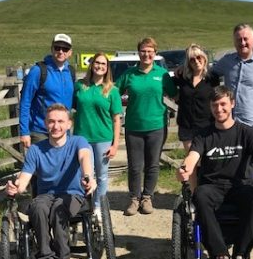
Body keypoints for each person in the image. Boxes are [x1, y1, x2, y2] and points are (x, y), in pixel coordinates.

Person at [177, 86, 253, 259]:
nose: (219, 109)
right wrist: (185, 168)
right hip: (212, 187)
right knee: (200, 195)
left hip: (239, 185)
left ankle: (240, 257)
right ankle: (220, 257)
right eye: (215, 105)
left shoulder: (247, 132)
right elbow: (192, 156)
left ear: (232, 104)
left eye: (223, 104)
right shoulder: (203, 135)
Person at [5, 103, 96, 259]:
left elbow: (85, 157)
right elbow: (25, 177)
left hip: (72, 194)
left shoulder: (78, 142)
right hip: (46, 195)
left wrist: (88, 176)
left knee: (59, 209)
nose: (56, 126)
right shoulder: (36, 150)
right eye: (52, 121)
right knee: (37, 208)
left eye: (61, 121)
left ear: (69, 124)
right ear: (46, 124)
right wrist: (16, 187)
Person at [116, 37, 177, 216]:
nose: (146, 54)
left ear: (155, 53)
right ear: (138, 53)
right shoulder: (129, 74)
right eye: (143, 51)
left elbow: (175, 94)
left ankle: (147, 198)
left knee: (152, 165)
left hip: (157, 126)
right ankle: (134, 199)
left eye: (150, 51)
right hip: (134, 127)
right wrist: (116, 111)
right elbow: (113, 92)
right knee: (135, 166)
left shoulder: (162, 74)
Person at [73, 53, 123, 210]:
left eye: (103, 64)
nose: (100, 66)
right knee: (85, 175)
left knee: (101, 176)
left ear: (107, 68)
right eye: (97, 63)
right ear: (91, 64)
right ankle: (84, 205)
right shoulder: (80, 86)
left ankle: (98, 208)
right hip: (82, 138)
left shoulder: (112, 90)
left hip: (103, 138)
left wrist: (115, 144)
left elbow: (117, 119)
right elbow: (71, 109)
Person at [171, 43, 220, 191]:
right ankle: (194, 194)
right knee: (192, 162)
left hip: (208, 126)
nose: (196, 61)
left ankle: (209, 191)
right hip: (187, 127)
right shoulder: (183, 78)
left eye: (199, 57)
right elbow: (168, 85)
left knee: (208, 161)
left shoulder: (212, 78)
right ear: (188, 62)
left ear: (204, 58)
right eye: (192, 59)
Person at [19, 33, 75, 147]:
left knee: (63, 165)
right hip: (41, 131)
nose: (61, 51)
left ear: (70, 52)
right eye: (57, 47)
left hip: (64, 131)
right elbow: (25, 102)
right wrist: (24, 132)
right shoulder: (38, 71)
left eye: (65, 49)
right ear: (51, 49)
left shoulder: (71, 72)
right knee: (42, 165)